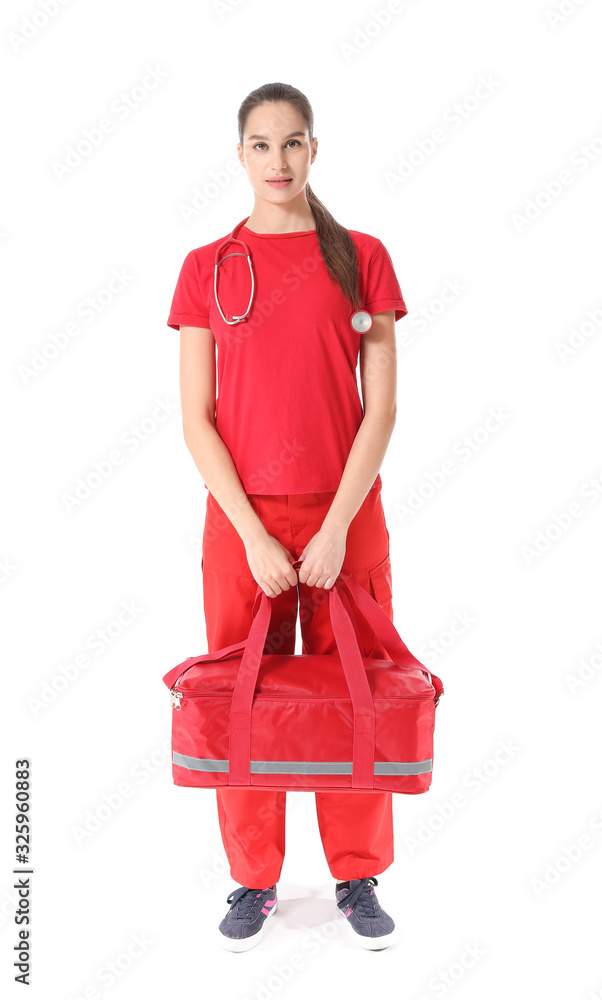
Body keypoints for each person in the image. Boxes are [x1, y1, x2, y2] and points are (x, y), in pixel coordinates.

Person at [167, 82, 408, 952]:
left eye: (293, 143)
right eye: (261, 145)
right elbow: (197, 417)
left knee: (359, 692)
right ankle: (253, 881)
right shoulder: (207, 267)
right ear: (239, 156)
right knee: (245, 695)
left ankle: (356, 873)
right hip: (242, 525)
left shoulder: (362, 258)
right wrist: (255, 534)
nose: (278, 161)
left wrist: (338, 527)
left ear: (315, 151)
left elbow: (377, 411)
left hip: (349, 515)